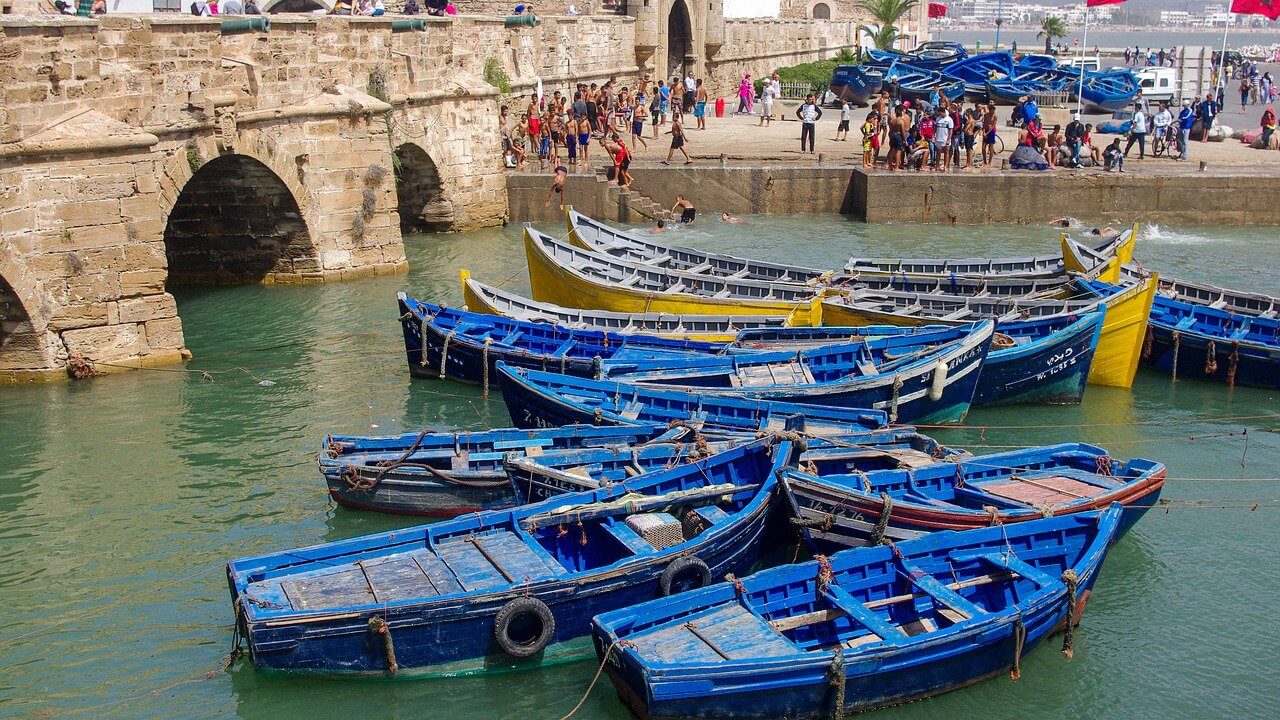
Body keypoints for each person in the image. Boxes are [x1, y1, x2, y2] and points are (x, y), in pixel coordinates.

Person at [931, 106, 953, 172]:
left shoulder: (949, 119)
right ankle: (937, 166)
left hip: (946, 138)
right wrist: (933, 136)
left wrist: (949, 139)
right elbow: (935, 128)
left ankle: (946, 166)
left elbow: (950, 130)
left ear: (943, 112)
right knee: (938, 153)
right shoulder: (938, 118)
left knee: (946, 152)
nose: (939, 115)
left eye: (940, 113)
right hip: (938, 138)